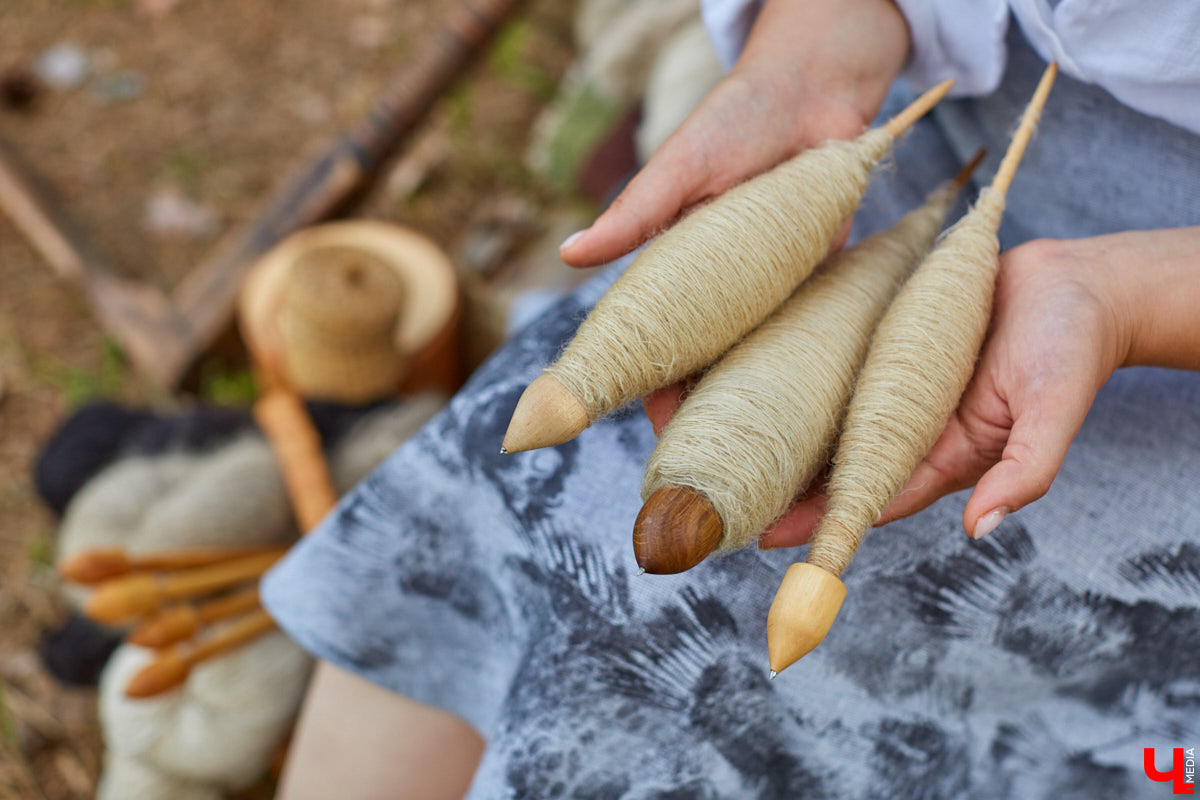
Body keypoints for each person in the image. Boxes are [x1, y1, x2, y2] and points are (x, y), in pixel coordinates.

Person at [262, 1, 1200, 797]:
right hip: (869, 143)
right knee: (513, 502)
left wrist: (1126, 301)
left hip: (1165, 313)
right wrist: (824, 29)